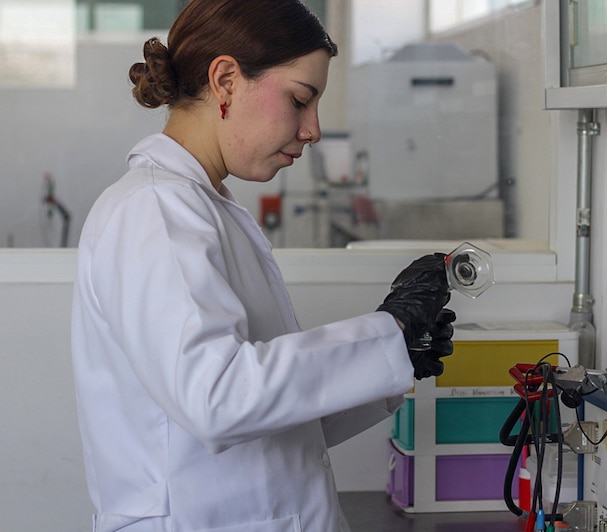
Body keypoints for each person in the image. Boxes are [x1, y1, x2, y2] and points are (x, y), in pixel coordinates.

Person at [70, 1, 456, 531]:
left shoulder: (202, 206)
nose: (313, 130)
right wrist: (385, 330)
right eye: (301, 100)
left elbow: (267, 416)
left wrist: (391, 363)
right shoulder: (155, 210)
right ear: (226, 80)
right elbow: (218, 398)